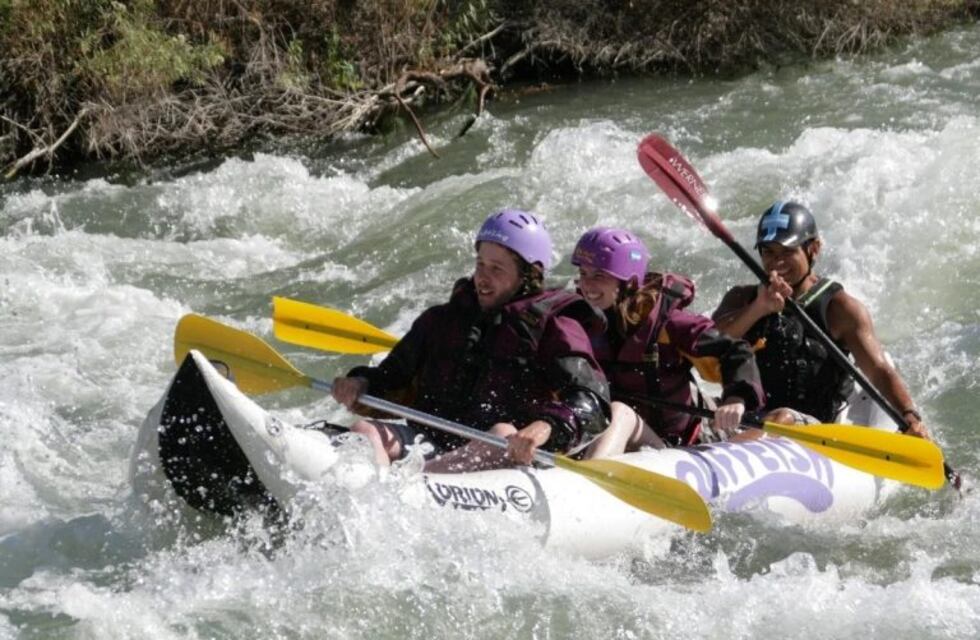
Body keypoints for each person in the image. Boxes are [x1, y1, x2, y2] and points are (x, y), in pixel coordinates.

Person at [331, 209, 611, 471]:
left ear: (528, 275)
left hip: (508, 456)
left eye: (497, 269)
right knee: (364, 432)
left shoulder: (554, 326)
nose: (482, 278)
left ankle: (410, 487)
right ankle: (384, 495)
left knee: (501, 433)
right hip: (429, 444)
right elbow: (391, 377)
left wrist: (546, 427)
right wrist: (360, 384)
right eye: (480, 264)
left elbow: (591, 401)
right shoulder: (442, 319)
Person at [711, 200, 931, 439]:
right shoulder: (742, 299)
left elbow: (878, 370)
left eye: (788, 251)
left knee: (781, 418)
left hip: (809, 429)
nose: (777, 262)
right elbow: (707, 345)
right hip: (744, 418)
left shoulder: (840, 309)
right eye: (769, 252)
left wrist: (909, 416)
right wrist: (758, 308)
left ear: (813, 249)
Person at [569, 227, 764, 458]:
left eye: (599, 276)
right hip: (611, 439)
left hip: (675, 447)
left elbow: (734, 350)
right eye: (583, 274)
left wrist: (736, 398)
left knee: (620, 412)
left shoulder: (667, 324)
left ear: (629, 283)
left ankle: (590, 486)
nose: (587, 286)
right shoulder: (576, 319)